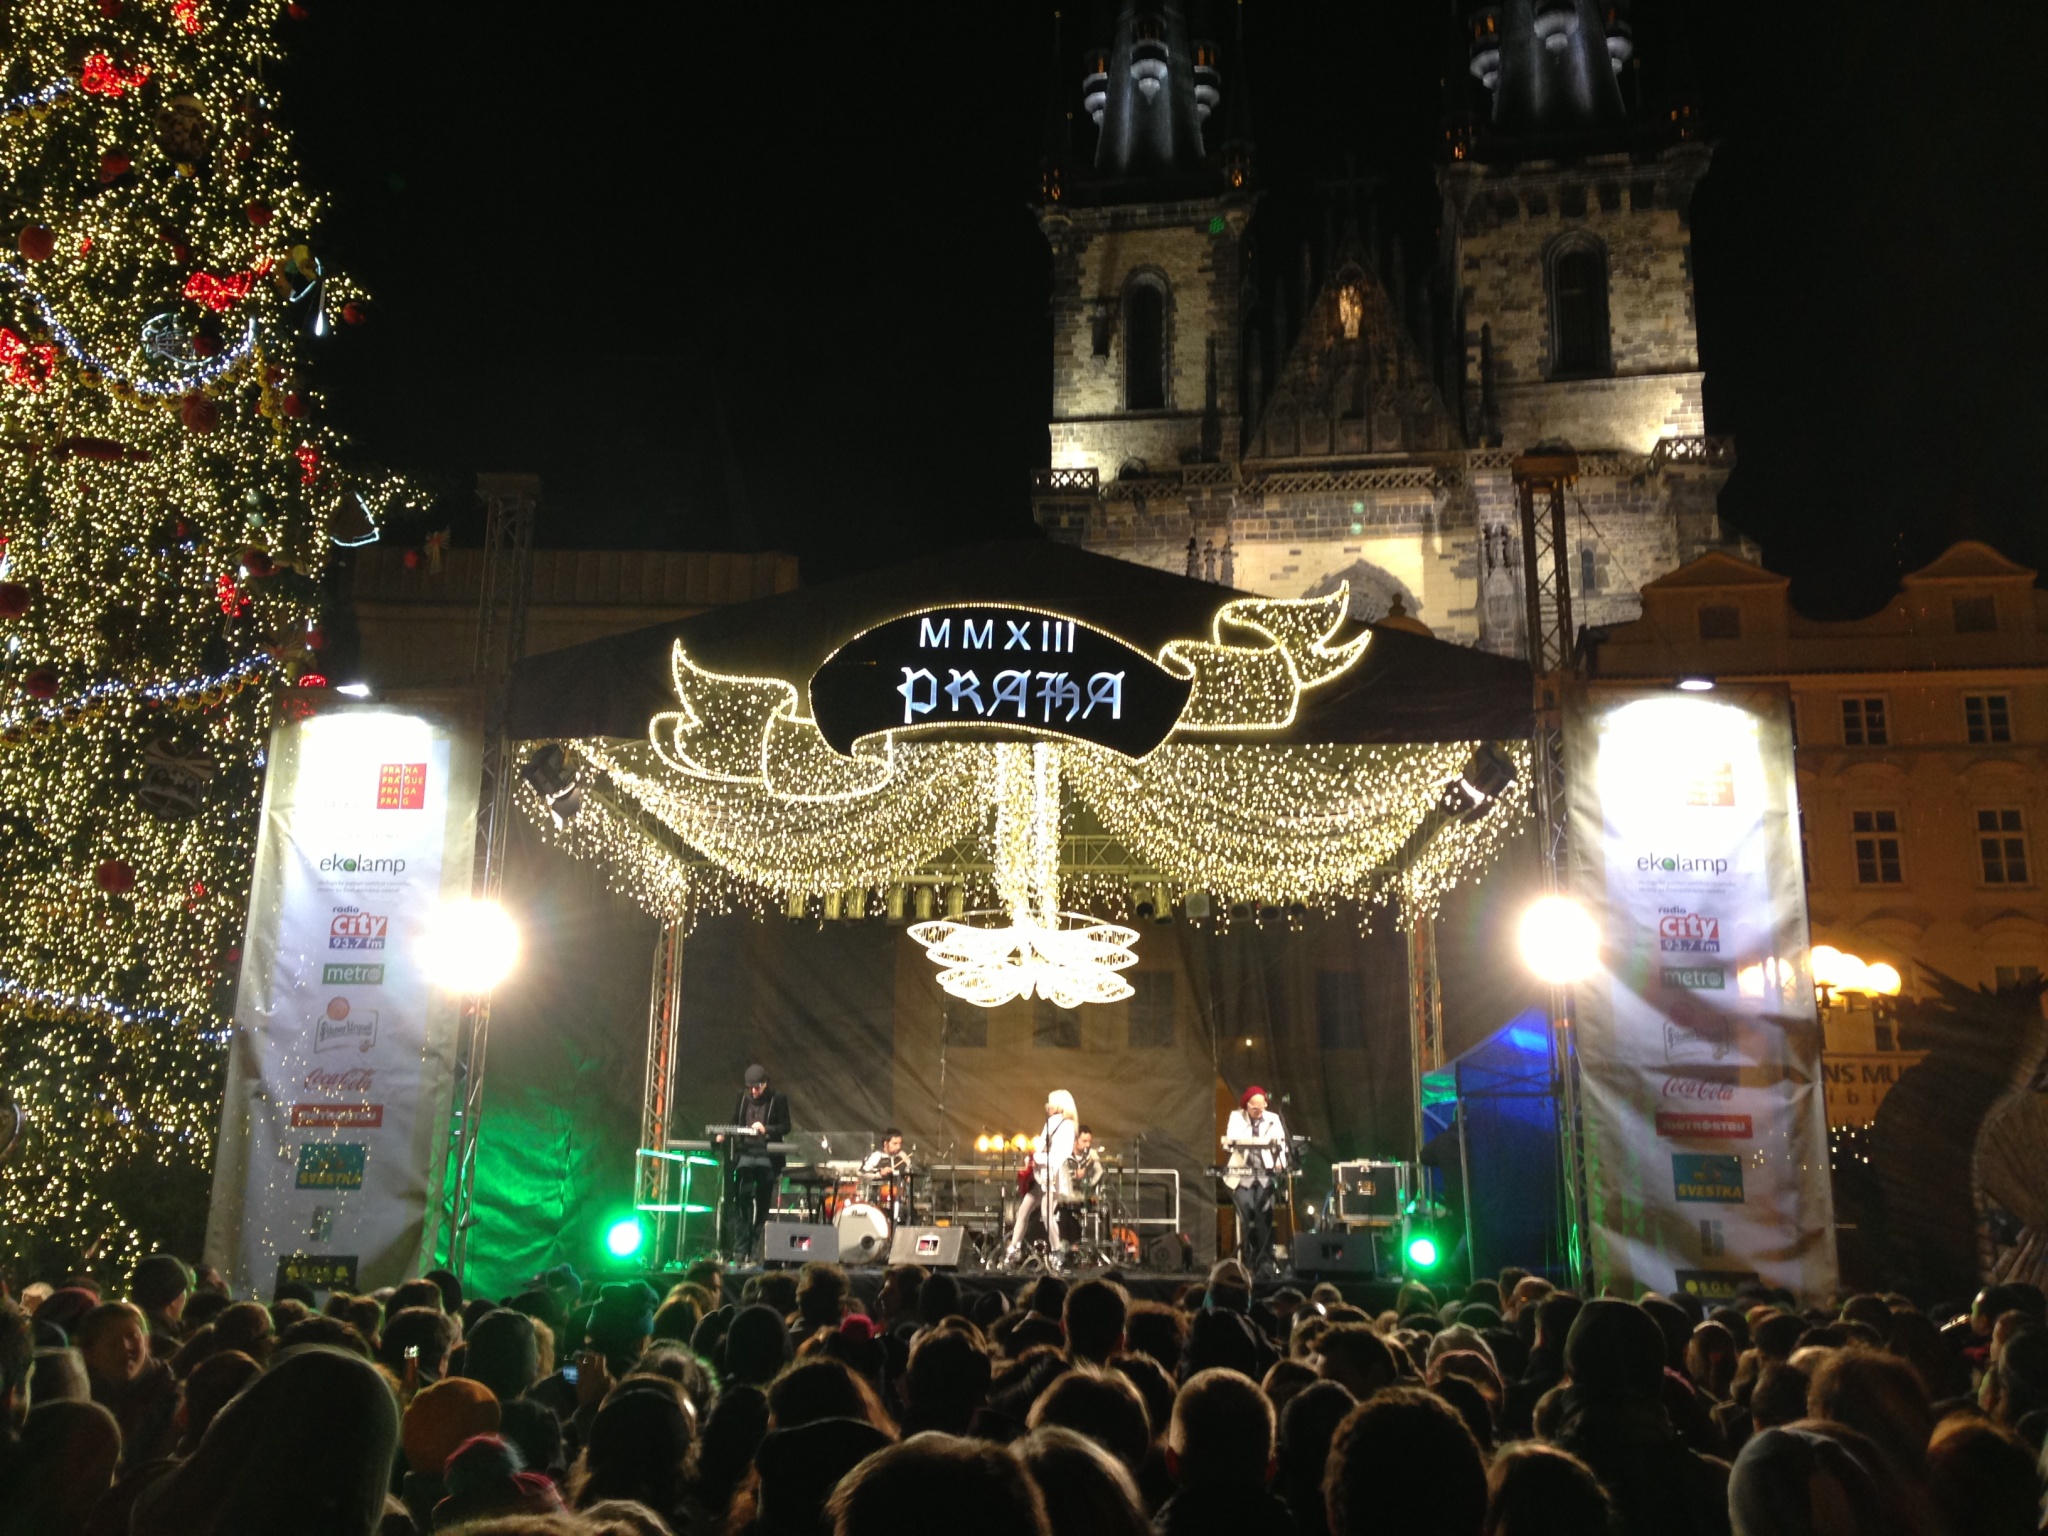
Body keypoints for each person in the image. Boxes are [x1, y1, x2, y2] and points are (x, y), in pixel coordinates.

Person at [721, 1064, 792, 1265]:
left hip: (767, 1157)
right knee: (742, 1202)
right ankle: (740, 1250)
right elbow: (735, 1121)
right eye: (750, 1087)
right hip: (745, 1155)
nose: (753, 1091)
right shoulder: (742, 1098)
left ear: (765, 1084)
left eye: (757, 1087)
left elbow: (786, 1127)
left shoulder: (778, 1098)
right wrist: (723, 1133)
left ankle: (755, 1251)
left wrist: (766, 1128)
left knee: (762, 1205)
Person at [1222, 1086, 1289, 1276]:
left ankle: (1265, 1260)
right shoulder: (1237, 1118)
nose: (1260, 1112)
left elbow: (1281, 1145)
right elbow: (1233, 1140)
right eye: (1255, 1109)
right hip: (1242, 1176)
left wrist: (1280, 1164)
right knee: (1247, 1214)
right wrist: (1250, 1129)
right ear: (1247, 1107)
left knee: (1264, 1215)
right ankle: (1249, 1260)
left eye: (1262, 1108)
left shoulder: (1273, 1119)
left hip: (1265, 1175)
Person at [1007, 1089, 1078, 1265]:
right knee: (1023, 1211)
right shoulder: (1051, 1122)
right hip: (1041, 1175)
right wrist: (1034, 1156)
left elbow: (1060, 1153)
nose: (1047, 1107)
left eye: (1050, 1103)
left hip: (1052, 1175)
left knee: (1047, 1213)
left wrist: (1039, 1157)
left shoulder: (1066, 1125)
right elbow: (1041, 1147)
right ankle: (1013, 1249)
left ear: (1060, 1105)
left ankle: (1056, 1251)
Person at [862, 1127, 913, 1224]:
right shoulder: (877, 1156)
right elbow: (862, 1173)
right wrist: (879, 1173)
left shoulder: (902, 1156)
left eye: (900, 1143)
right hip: (879, 1199)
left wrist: (908, 1177)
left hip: (900, 1198)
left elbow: (910, 1170)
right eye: (895, 1144)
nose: (898, 1147)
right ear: (886, 1143)